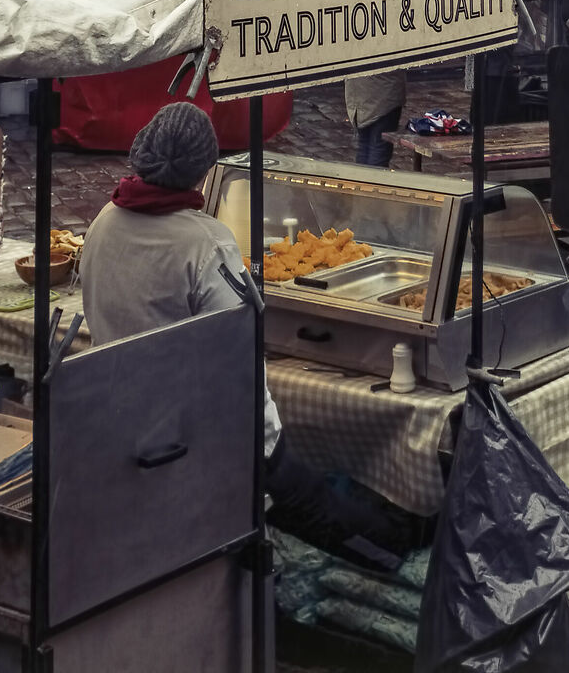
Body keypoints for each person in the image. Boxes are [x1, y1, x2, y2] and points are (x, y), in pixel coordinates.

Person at [84, 103, 422, 568]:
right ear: (204, 168)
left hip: (126, 416)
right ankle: (396, 559)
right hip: (206, 435)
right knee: (313, 505)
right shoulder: (204, 242)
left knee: (307, 495)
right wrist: (265, 443)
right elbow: (237, 350)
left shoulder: (103, 222)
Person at [344, 69, 404, 168]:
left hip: (358, 95)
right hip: (384, 95)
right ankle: (374, 181)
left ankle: (361, 181)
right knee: (379, 148)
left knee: (364, 146)